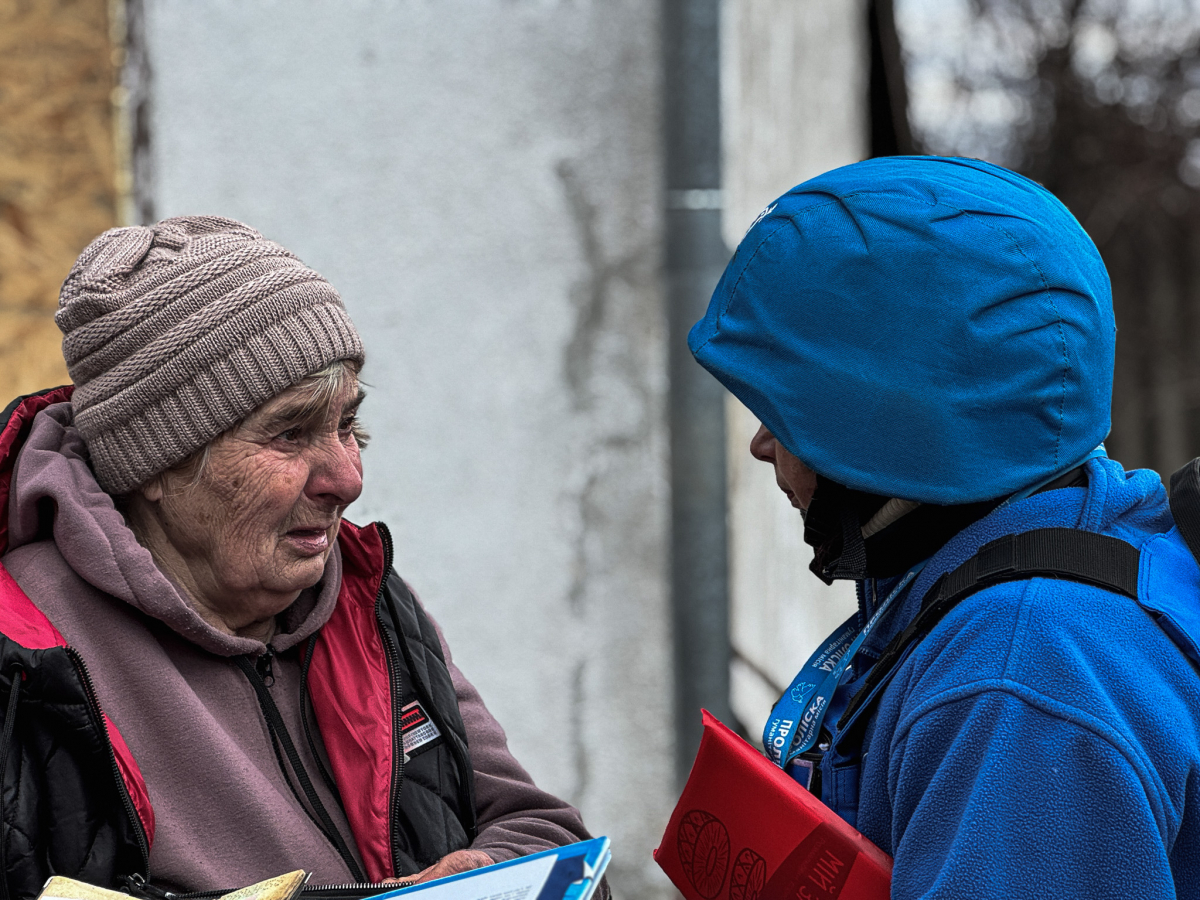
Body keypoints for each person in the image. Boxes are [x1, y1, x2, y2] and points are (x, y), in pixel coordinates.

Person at [0, 216, 599, 899]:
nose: (347, 478)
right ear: (153, 466)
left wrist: (488, 875)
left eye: (349, 425)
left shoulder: (365, 605)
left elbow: (543, 830)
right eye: (288, 434)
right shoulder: (27, 656)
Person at [688, 156, 1200, 898]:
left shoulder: (1017, 678)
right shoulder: (1058, 546)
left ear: (886, 424)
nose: (761, 444)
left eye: (786, 411)